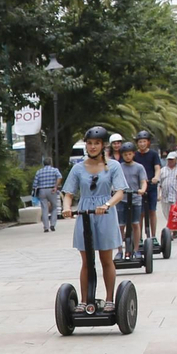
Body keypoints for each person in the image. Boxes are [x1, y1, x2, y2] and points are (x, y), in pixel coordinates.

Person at [60, 126, 128, 306]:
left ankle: (109, 300)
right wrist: (66, 208)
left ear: (103, 145)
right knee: (86, 261)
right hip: (85, 212)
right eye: (89, 143)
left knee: (106, 259)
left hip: (104, 213)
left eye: (96, 143)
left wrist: (107, 204)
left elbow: (120, 192)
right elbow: (68, 193)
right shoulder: (78, 168)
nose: (92, 147)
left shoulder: (113, 166)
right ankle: (84, 301)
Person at [116, 142, 148, 255]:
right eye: (125, 155)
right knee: (120, 225)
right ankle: (120, 250)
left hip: (135, 199)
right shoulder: (119, 167)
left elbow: (143, 181)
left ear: (133, 154)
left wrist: (142, 190)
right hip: (121, 199)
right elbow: (114, 181)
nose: (127, 156)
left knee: (135, 224)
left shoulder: (139, 167)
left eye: (129, 154)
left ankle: (136, 249)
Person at [133, 131, 164, 243]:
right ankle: (139, 237)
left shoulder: (153, 154)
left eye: (144, 141)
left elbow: (157, 168)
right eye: (140, 142)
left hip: (151, 185)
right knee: (140, 213)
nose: (142, 144)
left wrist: (156, 177)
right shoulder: (134, 155)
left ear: (148, 142)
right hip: (139, 187)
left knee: (152, 211)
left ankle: (153, 236)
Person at [32, 156, 63, 232]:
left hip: (42, 190)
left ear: (43, 163)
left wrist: (34, 192)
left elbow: (35, 184)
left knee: (44, 209)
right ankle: (52, 224)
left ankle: (46, 227)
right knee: (54, 207)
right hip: (51, 189)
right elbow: (60, 177)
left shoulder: (39, 172)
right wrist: (56, 186)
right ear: (51, 163)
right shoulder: (54, 170)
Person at [158, 151, 177, 231]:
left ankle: (173, 229)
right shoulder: (162, 170)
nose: (170, 161)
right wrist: (159, 194)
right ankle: (172, 228)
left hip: (175, 195)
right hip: (165, 195)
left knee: (175, 213)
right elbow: (159, 183)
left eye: (172, 159)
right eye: (169, 160)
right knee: (167, 213)